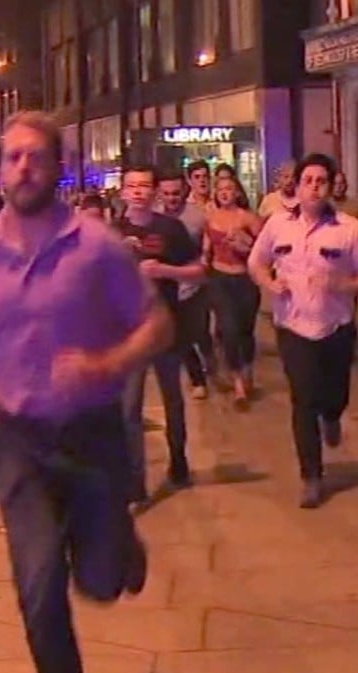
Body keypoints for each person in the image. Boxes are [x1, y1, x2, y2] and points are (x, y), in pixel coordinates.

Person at [0, 110, 171, 673]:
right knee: (38, 588)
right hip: (19, 444)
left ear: (58, 167)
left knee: (101, 582)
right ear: (0, 170)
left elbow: (158, 324)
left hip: (92, 436)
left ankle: (120, 545)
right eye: (13, 157)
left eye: (36, 157)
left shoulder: (97, 247)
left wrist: (106, 363)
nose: (24, 167)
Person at [248, 153, 358, 508]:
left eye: (321, 181)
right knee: (303, 399)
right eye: (307, 180)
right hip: (293, 326)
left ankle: (333, 415)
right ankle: (311, 476)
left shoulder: (348, 228)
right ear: (297, 185)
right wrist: (269, 283)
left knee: (335, 394)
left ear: (330, 186)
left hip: (336, 327)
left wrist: (347, 285)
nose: (314, 187)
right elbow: (256, 262)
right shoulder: (278, 225)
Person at [117, 164, 205, 500]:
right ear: (123, 191)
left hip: (166, 326)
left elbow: (198, 271)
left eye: (144, 186)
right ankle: (134, 480)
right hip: (128, 333)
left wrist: (165, 270)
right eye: (132, 186)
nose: (138, 192)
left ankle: (178, 460)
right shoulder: (111, 232)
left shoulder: (171, 228)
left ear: (154, 191)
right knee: (129, 407)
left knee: (172, 399)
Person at [204, 175, 263, 408]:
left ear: (238, 192)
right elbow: (207, 247)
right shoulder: (211, 217)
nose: (224, 193)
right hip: (219, 278)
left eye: (229, 189)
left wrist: (243, 244)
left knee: (245, 331)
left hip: (244, 279)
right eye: (220, 189)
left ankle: (247, 370)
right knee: (228, 329)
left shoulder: (248, 217)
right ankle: (237, 383)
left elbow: (262, 250)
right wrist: (202, 262)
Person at [157, 169, 213, 400]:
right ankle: (196, 378)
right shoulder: (153, 216)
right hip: (164, 286)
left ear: (184, 191)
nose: (172, 198)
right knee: (177, 335)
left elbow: (207, 247)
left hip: (192, 285)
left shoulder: (197, 216)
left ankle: (207, 362)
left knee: (195, 332)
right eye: (167, 193)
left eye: (176, 193)